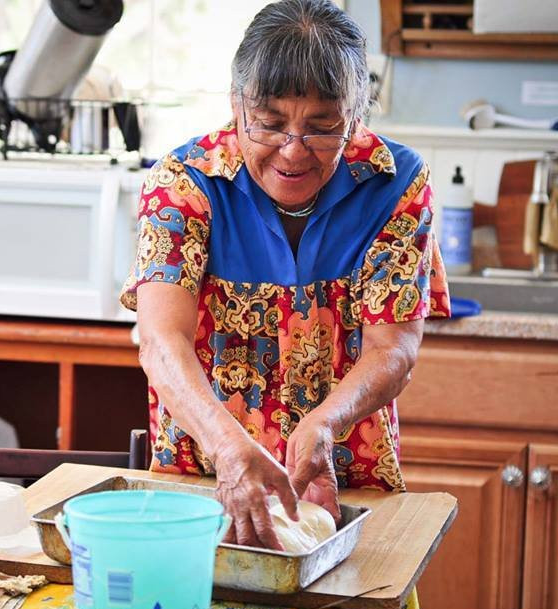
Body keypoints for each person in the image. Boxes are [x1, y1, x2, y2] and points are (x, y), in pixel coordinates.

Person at [120, 0, 450, 551]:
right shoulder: (184, 183)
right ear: (236, 104)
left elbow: (393, 349)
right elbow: (161, 341)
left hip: (343, 476)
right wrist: (228, 449)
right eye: (270, 124)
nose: (293, 152)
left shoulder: (396, 183)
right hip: (208, 475)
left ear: (356, 115)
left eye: (322, 128)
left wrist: (325, 424)